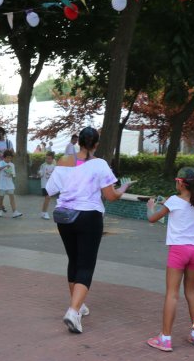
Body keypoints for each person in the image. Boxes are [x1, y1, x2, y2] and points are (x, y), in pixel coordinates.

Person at [45, 127, 134, 334]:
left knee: (74, 260)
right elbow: (110, 196)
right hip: (89, 217)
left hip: (64, 217)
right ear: (96, 144)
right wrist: (122, 189)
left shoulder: (64, 160)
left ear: (79, 142)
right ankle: (73, 311)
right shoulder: (100, 164)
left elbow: (49, 190)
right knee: (86, 264)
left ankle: (79, 305)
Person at [145, 167, 194, 352]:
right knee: (192, 293)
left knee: (172, 294)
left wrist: (151, 207)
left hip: (178, 251)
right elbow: (183, 208)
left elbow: (152, 219)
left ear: (181, 182)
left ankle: (165, 339)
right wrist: (168, 204)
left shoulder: (173, 201)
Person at [0, 150, 23, 218]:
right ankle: (0, 210)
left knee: (12, 198)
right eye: (7, 157)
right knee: (1, 198)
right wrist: (5, 167)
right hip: (2, 184)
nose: (8, 159)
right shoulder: (1, 163)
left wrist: (10, 174)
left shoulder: (12, 165)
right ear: (4, 158)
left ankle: (15, 212)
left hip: (10, 184)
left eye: (10, 158)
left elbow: (13, 175)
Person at [38, 151, 56, 220]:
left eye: (49, 158)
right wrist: (40, 173)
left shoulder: (54, 166)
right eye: (47, 158)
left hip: (50, 185)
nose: (48, 160)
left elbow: (55, 176)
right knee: (47, 198)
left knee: (47, 198)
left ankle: (43, 212)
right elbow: (41, 173)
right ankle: (45, 212)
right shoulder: (43, 165)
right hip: (44, 185)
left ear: (52, 159)